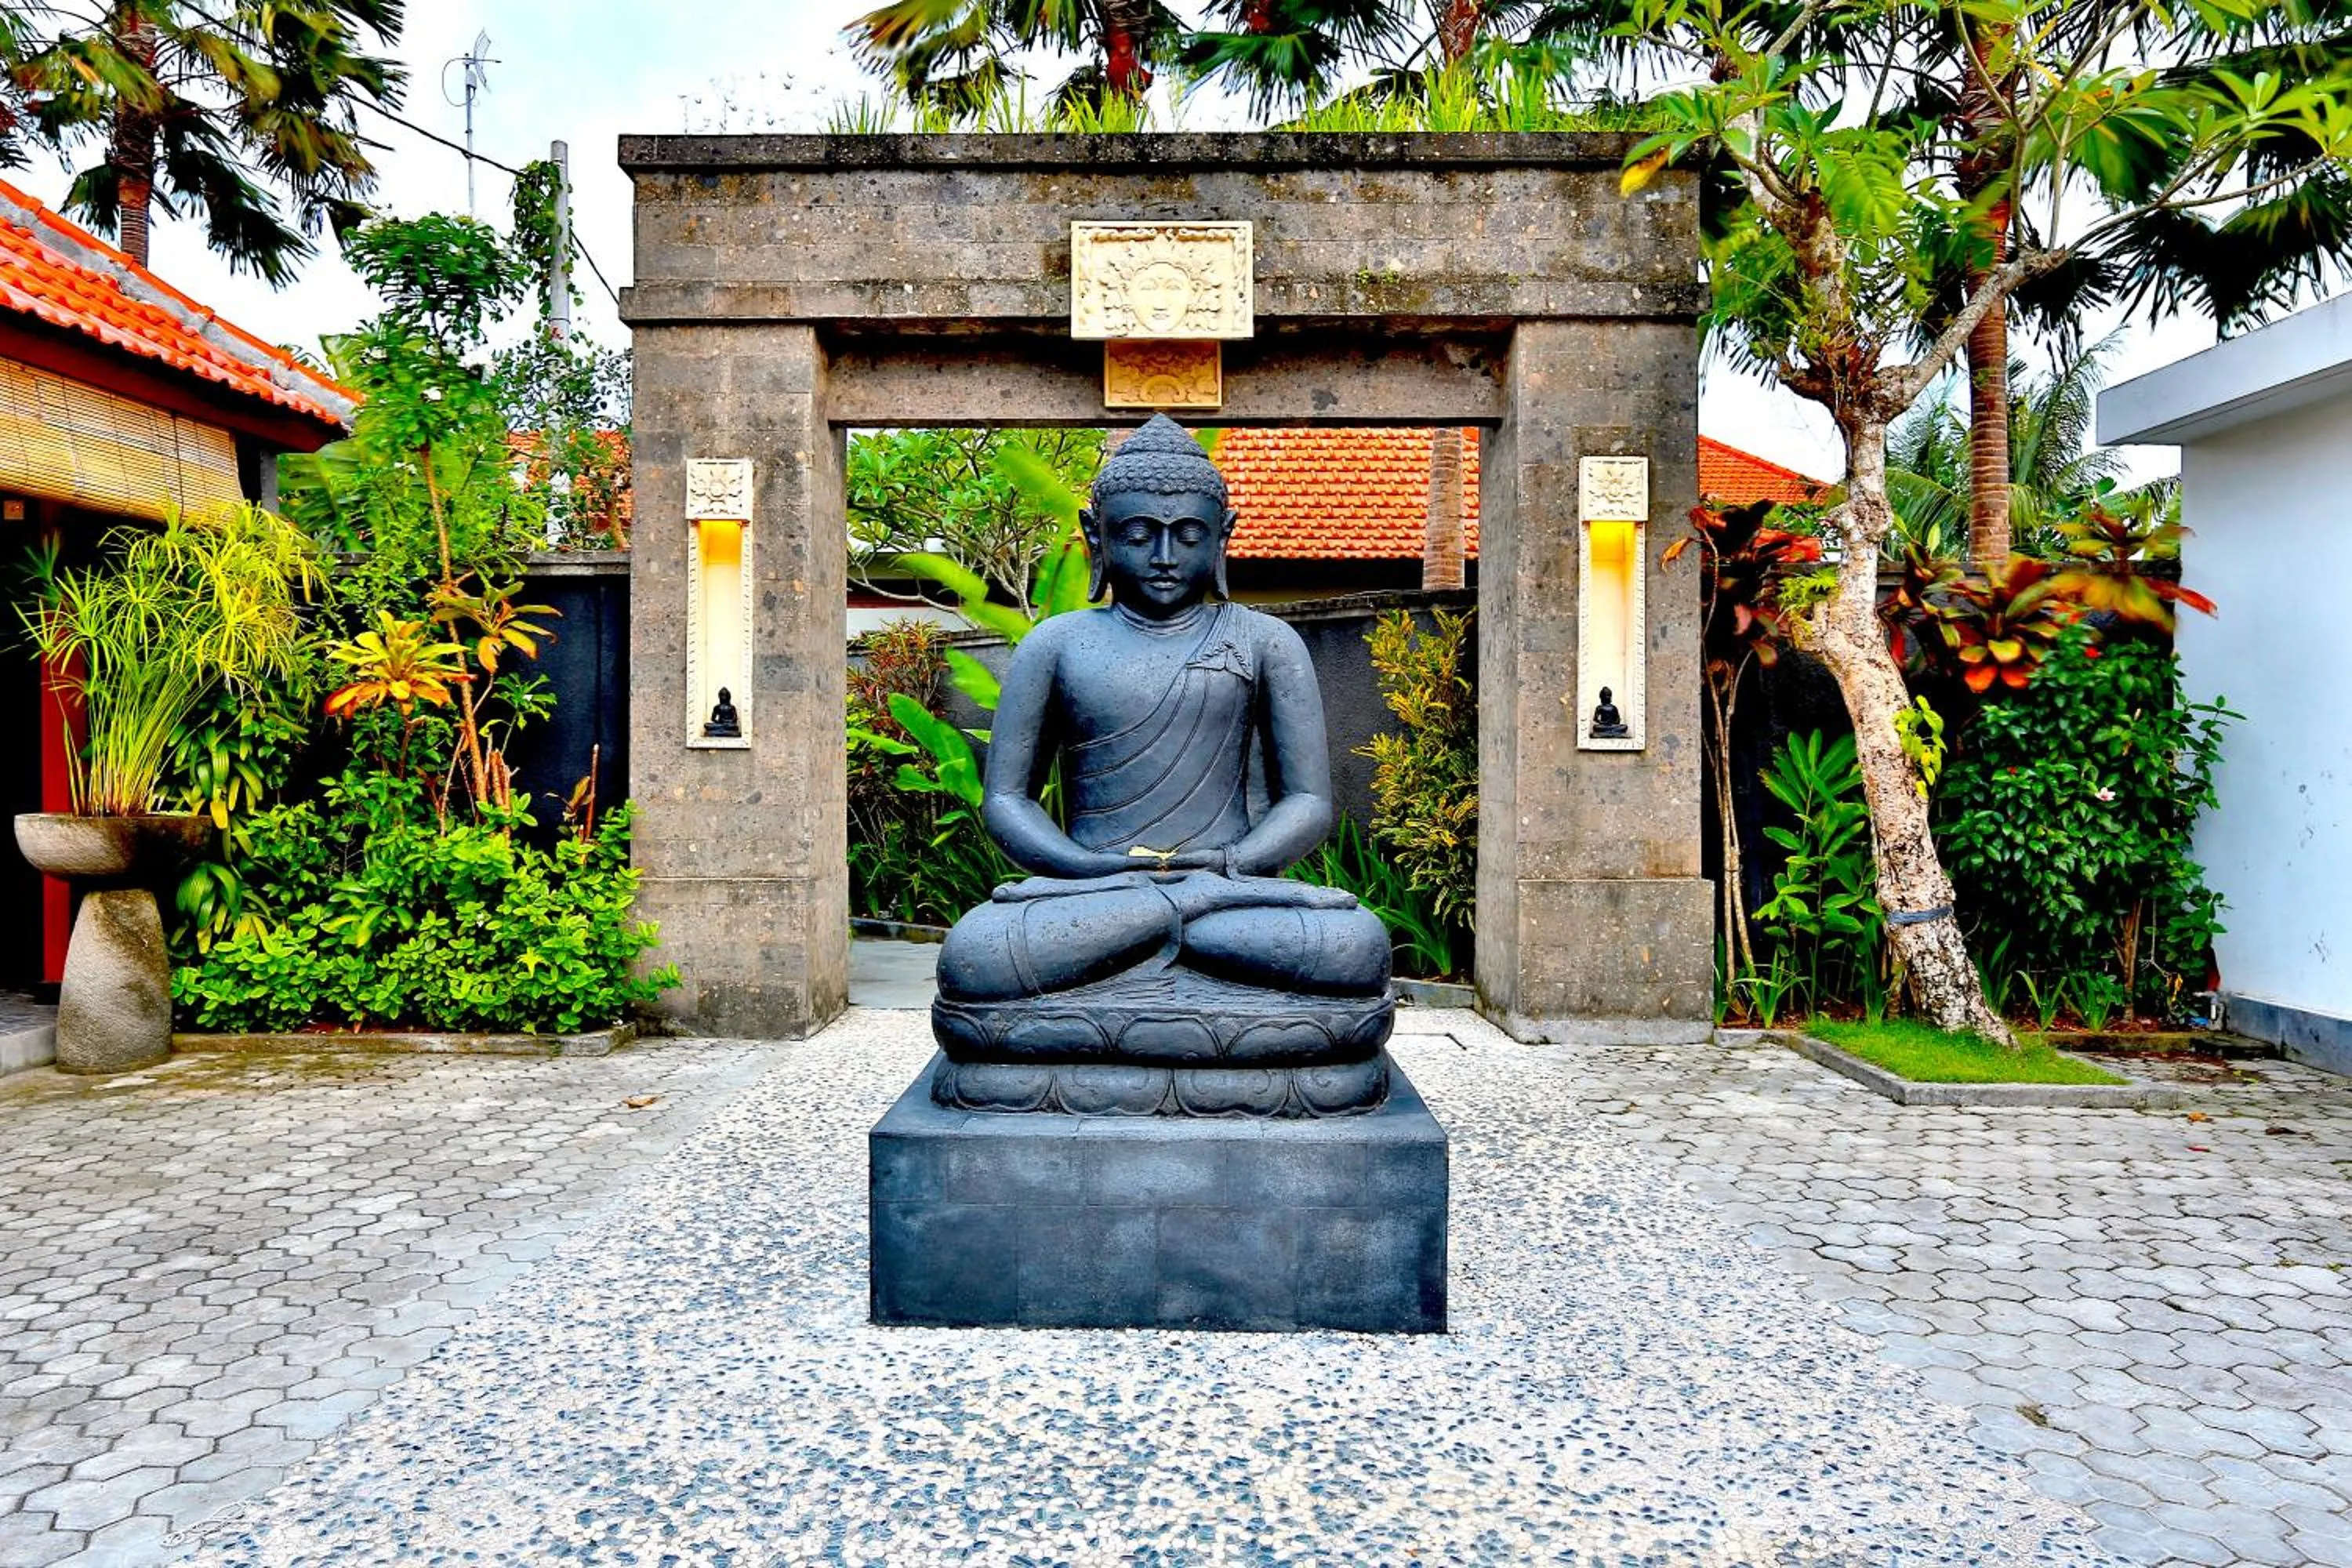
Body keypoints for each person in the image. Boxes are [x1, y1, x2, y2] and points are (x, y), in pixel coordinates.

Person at [935, 416, 1390, 1005]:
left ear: (1223, 535)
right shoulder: (1055, 643)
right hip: (1097, 893)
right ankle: (1173, 925)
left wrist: (1227, 866)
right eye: (1140, 534)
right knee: (977, 956)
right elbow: (1006, 801)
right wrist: (1092, 870)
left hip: (1224, 891)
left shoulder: (1265, 641)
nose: (1166, 556)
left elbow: (1306, 803)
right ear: (1097, 536)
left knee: (1354, 946)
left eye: (1190, 535)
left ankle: (1163, 929)